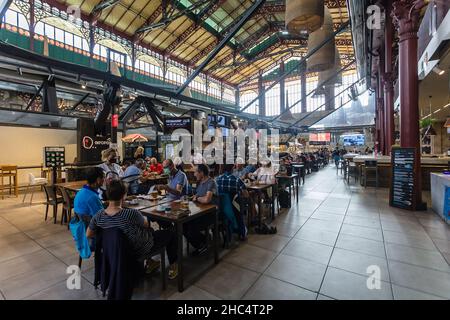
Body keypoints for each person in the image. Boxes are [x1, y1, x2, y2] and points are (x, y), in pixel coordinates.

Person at [86, 180, 178, 279]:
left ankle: (151, 262)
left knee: (149, 231)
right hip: (137, 249)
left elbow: (88, 234)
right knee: (171, 233)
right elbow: (146, 224)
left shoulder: (98, 216)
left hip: (115, 251)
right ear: (124, 196)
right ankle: (174, 264)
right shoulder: (131, 213)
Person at [184, 164, 217, 255]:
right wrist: (193, 197)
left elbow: (207, 199)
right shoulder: (201, 183)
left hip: (210, 214)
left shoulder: (211, 182)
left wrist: (197, 198)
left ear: (201, 173)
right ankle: (203, 241)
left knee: (191, 228)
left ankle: (202, 244)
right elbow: (198, 195)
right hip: (200, 212)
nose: (194, 174)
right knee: (183, 225)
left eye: (195, 172)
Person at [216, 164, 249, 240]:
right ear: (233, 168)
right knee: (241, 203)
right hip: (235, 208)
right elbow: (246, 194)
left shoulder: (217, 179)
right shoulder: (237, 179)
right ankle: (242, 232)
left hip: (221, 208)